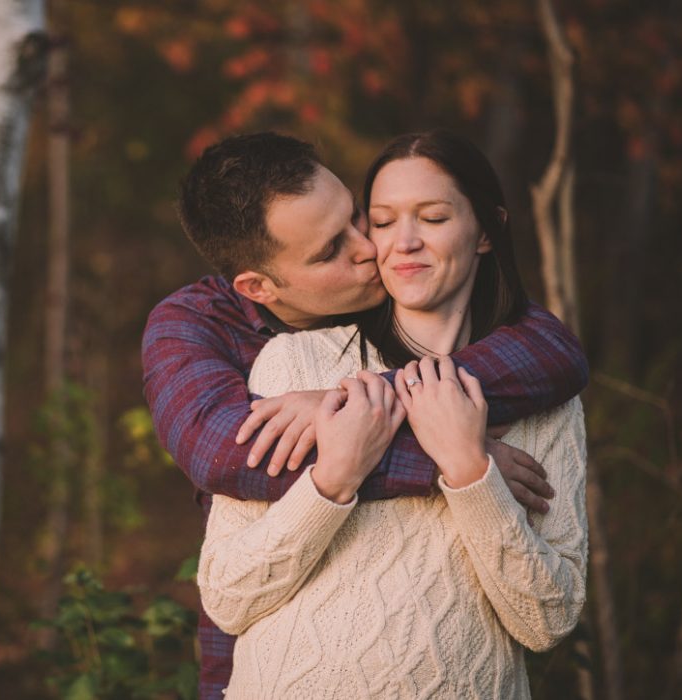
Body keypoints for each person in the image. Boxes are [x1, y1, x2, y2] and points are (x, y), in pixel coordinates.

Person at [141, 132, 587, 699]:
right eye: (331, 250)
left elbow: (557, 354)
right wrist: (444, 459)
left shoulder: (495, 345)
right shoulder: (204, 331)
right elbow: (227, 450)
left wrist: (388, 402)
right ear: (260, 287)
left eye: (358, 217)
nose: (372, 248)